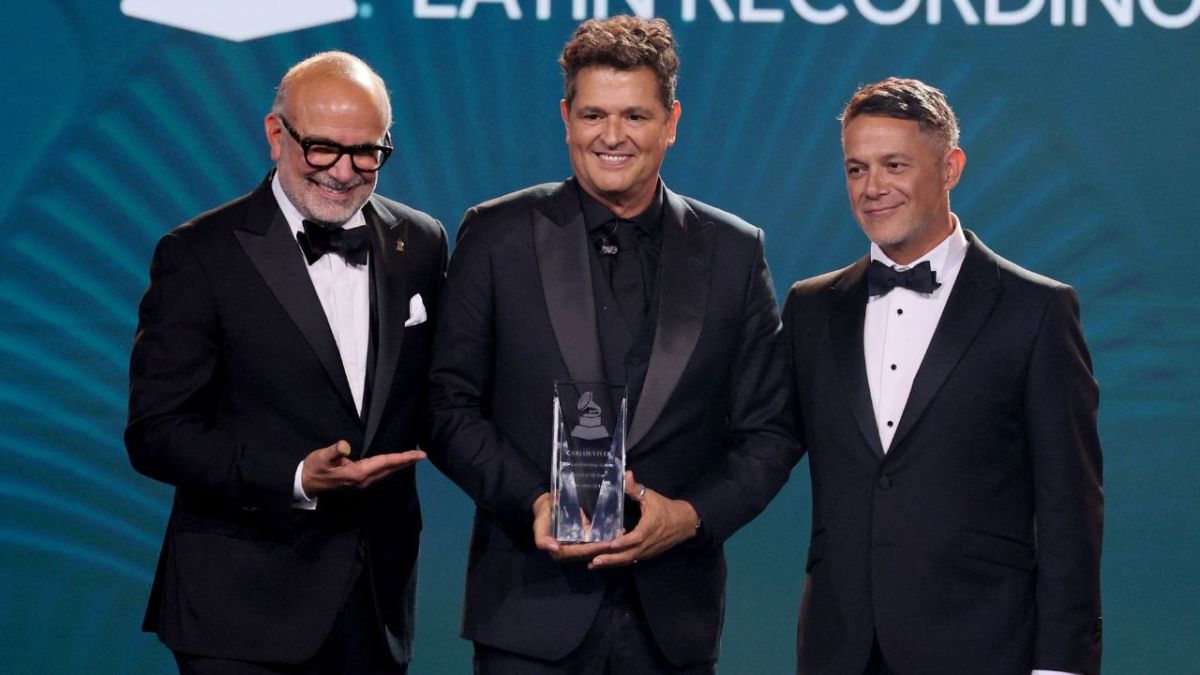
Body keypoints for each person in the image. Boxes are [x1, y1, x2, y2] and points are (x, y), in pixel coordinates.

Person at [425, 16, 799, 675]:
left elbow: (770, 430)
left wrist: (689, 515)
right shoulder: (496, 235)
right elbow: (448, 405)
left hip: (672, 623)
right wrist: (532, 499)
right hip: (528, 615)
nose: (612, 136)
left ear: (671, 120)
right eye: (594, 114)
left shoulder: (735, 252)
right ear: (566, 117)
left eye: (635, 115)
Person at [125, 51, 447, 674]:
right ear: (277, 135)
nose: (343, 172)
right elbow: (156, 432)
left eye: (366, 153)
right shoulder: (199, 255)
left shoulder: (422, 241)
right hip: (240, 607)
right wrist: (294, 475)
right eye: (321, 148)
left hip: (375, 602)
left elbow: (440, 398)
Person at [781, 76, 1103, 675]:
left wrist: (1062, 665)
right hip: (840, 649)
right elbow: (765, 445)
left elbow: (1069, 508)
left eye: (894, 164)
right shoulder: (810, 308)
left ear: (950, 167)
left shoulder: (1036, 310)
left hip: (983, 647)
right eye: (856, 169)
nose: (872, 188)